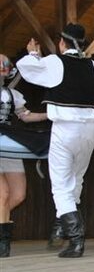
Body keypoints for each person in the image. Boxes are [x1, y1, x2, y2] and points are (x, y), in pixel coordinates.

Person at [17, 23, 94, 258]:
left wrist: (34, 53)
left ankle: (75, 239)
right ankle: (62, 226)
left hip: (66, 128)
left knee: (61, 185)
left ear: (62, 43)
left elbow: (28, 69)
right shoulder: (92, 65)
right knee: (76, 179)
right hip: (90, 129)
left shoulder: (56, 62)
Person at [0, 56, 48, 257]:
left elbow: (26, 116)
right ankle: (3, 244)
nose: (3, 67)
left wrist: (51, 113)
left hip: (8, 144)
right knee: (2, 195)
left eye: (4, 64)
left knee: (18, 195)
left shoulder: (13, 95)